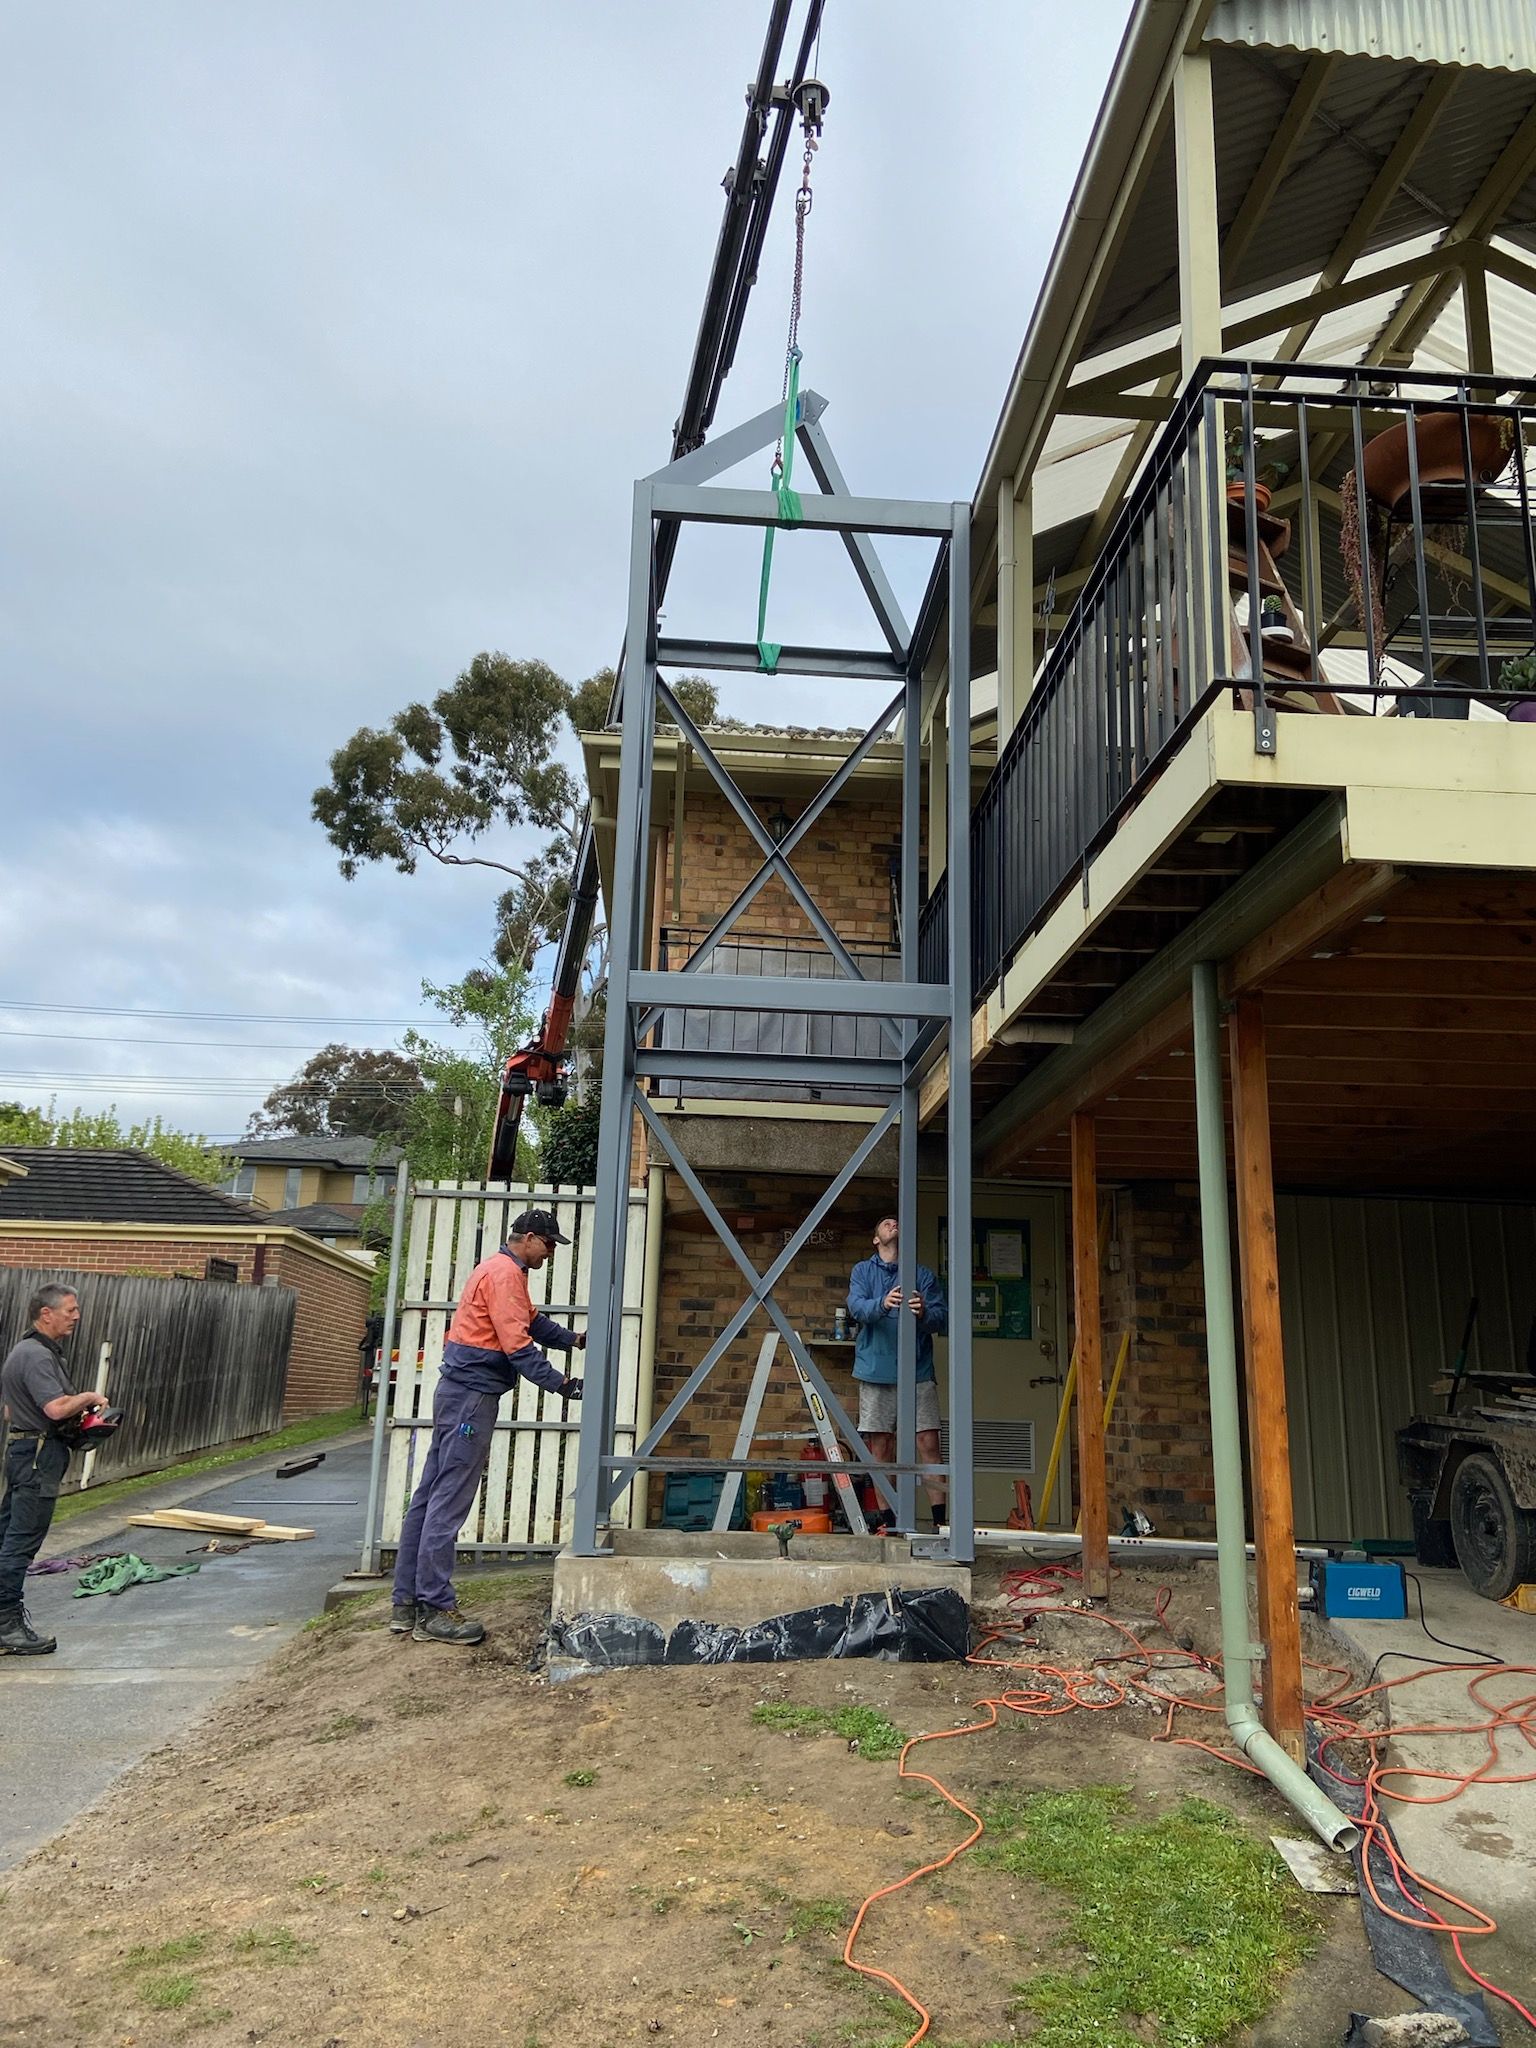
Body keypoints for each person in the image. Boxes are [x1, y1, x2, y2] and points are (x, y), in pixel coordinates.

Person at [392, 1209, 585, 1645]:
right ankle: (435, 1609)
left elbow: (531, 1323)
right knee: (449, 1498)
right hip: (472, 1397)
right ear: (529, 1238)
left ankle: (406, 1604)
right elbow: (518, 1346)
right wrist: (564, 1385)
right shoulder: (504, 1276)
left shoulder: (502, 1271)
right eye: (549, 1244)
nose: (551, 1253)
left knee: (428, 1496)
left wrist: (574, 1339)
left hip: (458, 1393)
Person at [0, 1285, 109, 1655]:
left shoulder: (25, 1351)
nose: (76, 1316)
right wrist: (90, 1398)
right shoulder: (36, 1355)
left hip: (22, 1449)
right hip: (37, 1456)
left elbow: (10, 1412)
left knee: (6, 1536)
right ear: (46, 1313)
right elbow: (55, 1409)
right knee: (20, 1542)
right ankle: (7, 1627)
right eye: (70, 1310)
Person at [846, 1216, 949, 1532]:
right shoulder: (863, 1271)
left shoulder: (922, 1275)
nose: (893, 1223)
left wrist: (924, 1313)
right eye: (885, 1223)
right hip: (876, 1370)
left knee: (928, 1443)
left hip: (916, 1371)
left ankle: (938, 1524)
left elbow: (942, 1317)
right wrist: (882, 1303)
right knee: (882, 1448)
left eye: (897, 1222)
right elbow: (856, 1307)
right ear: (875, 1239)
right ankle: (888, 1525)